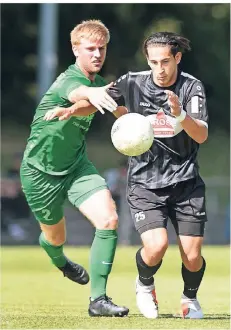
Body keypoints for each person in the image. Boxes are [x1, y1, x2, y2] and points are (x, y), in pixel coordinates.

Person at [54, 31, 209, 319]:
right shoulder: (132, 82)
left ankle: (190, 299)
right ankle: (145, 283)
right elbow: (103, 102)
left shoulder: (191, 87)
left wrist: (180, 115)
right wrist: (73, 109)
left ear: (177, 58)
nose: (159, 70)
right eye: (153, 62)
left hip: (186, 182)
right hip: (145, 182)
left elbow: (201, 135)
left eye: (165, 62)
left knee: (192, 256)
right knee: (157, 245)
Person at [20, 19, 129, 317]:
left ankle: (99, 300)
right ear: (75, 49)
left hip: (77, 166)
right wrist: (93, 94)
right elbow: (79, 93)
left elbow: (104, 106)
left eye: (102, 48)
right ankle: (59, 261)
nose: (97, 54)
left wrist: (134, 123)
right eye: (90, 48)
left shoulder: (97, 85)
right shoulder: (68, 80)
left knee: (108, 219)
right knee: (55, 238)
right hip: (39, 173)